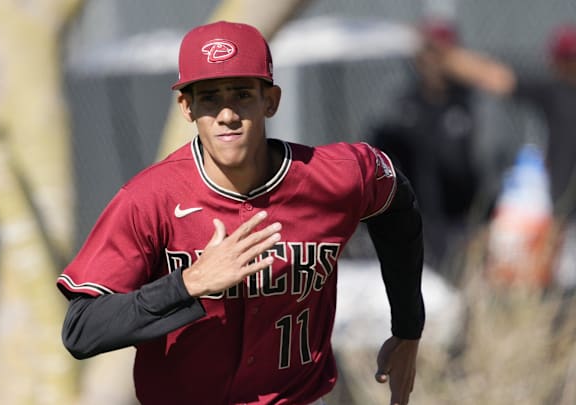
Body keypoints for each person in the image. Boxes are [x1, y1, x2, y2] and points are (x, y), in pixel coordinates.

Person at [57, 20, 425, 405]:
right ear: (187, 106)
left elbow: (397, 204)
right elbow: (82, 330)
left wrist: (408, 328)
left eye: (242, 95)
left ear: (271, 100)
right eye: (210, 97)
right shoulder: (150, 199)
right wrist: (188, 283)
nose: (227, 113)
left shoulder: (335, 176)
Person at [437, 22, 576, 287]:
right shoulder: (556, 92)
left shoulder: (558, 92)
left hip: (563, 210)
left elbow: (495, 77)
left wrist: (444, 55)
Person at [369, 18, 485, 279]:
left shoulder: (471, 103)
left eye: (443, 54)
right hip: (418, 220)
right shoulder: (404, 106)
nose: (435, 62)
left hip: (464, 221)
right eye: (430, 53)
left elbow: (488, 161)